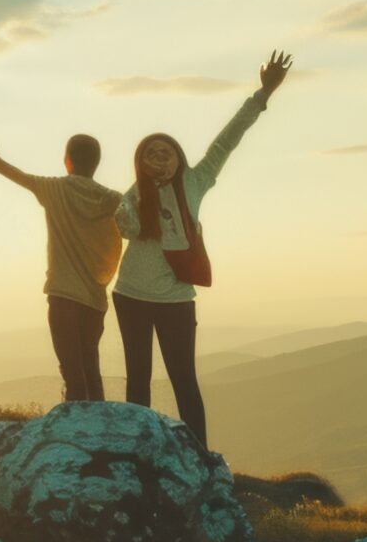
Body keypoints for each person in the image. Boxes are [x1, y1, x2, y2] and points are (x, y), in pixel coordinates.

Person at [113, 52, 293, 451]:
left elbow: (229, 137)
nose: (160, 158)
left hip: (176, 299)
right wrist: (142, 196)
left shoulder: (196, 181)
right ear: (140, 162)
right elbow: (125, 226)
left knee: (183, 380)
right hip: (130, 296)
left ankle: (200, 458)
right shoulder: (134, 194)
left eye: (167, 152)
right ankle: (137, 454)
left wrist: (263, 93)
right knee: (137, 379)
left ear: (179, 158)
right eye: (151, 153)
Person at [0, 130, 123, 403]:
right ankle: (100, 430)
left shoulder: (54, 188)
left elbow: (11, 171)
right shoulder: (112, 199)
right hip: (96, 299)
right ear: (97, 162)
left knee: (73, 374)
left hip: (63, 295)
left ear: (67, 160)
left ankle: (74, 433)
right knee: (90, 366)